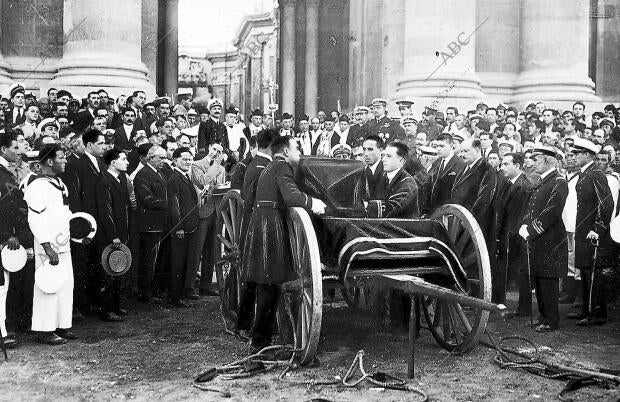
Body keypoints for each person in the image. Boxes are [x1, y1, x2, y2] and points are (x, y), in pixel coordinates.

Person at [241, 135, 326, 350]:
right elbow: (291, 197)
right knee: (270, 284)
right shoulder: (282, 167)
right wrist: (313, 202)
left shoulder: (273, 166)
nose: (299, 152)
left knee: (268, 283)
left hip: (264, 221)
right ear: (286, 151)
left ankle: (259, 339)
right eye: (297, 148)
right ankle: (260, 343)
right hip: (270, 224)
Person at [23, 144, 76, 345]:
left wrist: (81, 231)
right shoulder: (37, 186)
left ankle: (62, 325)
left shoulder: (60, 183)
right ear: (50, 161)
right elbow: (34, 219)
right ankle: (45, 330)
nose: (65, 161)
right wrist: (46, 246)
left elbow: (65, 213)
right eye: (62, 157)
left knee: (65, 284)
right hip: (48, 245)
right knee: (47, 285)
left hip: (64, 242)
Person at [519, 145, 568, 333]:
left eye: (536, 159)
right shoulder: (543, 181)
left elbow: (552, 211)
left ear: (547, 160)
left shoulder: (558, 182)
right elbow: (531, 208)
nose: (533, 163)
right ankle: (542, 317)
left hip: (551, 239)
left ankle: (551, 320)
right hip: (539, 238)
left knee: (548, 281)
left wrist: (531, 229)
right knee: (539, 279)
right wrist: (525, 224)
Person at [567, 138, 614, 326]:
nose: (574, 157)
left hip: (592, 233)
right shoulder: (584, 174)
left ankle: (596, 314)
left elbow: (606, 203)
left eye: (577, 154)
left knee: (593, 273)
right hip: (583, 230)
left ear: (587, 155)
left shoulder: (596, 174)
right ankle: (586, 310)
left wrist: (598, 228)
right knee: (585, 271)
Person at [0, 133, 31, 348]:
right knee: (2, 286)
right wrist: (6, 234)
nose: (18, 151)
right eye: (14, 147)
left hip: (9, 234)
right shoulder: (2, 174)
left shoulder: (6, 172)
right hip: (4, 237)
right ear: (3, 150)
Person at [96, 149, 131, 320]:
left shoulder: (121, 178)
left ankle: (116, 306)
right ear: (113, 162)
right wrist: (113, 235)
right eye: (123, 159)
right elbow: (105, 211)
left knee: (118, 269)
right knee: (108, 272)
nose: (127, 162)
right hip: (110, 236)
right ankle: (107, 309)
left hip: (121, 233)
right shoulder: (104, 181)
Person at [188, 143, 226, 298]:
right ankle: (190, 287)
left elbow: (218, 187)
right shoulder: (197, 165)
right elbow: (202, 181)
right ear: (209, 148)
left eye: (219, 151)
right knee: (197, 250)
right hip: (202, 212)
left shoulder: (222, 169)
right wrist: (216, 165)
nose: (216, 153)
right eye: (214, 149)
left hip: (216, 211)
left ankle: (206, 285)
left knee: (212, 251)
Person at [134, 145, 168, 303]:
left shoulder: (159, 173)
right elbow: (147, 199)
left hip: (158, 223)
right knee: (149, 260)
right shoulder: (143, 175)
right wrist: (169, 204)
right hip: (149, 225)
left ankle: (152, 290)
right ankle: (146, 293)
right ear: (150, 157)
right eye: (160, 158)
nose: (164, 161)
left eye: (165, 157)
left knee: (155, 260)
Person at [497, 153, 532, 309]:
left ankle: (522, 307)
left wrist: (508, 236)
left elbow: (519, 215)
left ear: (517, 165)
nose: (502, 167)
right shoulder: (509, 182)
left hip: (514, 236)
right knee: (507, 269)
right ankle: (502, 302)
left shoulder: (522, 186)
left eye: (506, 164)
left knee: (518, 271)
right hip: (508, 233)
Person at [167, 147, 200, 308]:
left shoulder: (185, 177)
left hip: (190, 227)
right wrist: (178, 227)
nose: (188, 162)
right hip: (181, 229)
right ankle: (176, 296)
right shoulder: (174, 178)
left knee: (185, 261)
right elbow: (174, 205)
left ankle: (181, 294)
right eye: (184, 159)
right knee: (178, 263)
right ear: (175, 160)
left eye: (189, 159)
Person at [451, 138, 497, 243]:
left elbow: (483, 199)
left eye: (466, 151)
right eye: (461, 151)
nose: (462, 154)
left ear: (477, 149)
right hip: (459, 221)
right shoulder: (464, 167)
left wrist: (468, 221)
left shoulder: (486, 169)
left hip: (474, 225)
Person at [365, 142, 419, 218]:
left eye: (389, 156)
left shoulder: (408, 182)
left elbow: (392, 208)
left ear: (401, 161)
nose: (383, 160)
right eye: (383, 156)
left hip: (403, 228)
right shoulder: (381, 177)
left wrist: (366, 206)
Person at [428, 133, 465, 214]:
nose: (438, 149)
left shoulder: (460, 164)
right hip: (434, 210)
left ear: (452, 146)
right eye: (436, 146)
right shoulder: (436, 163)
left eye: (442, 146)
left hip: (450, 211)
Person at [361, 135, 385, 200]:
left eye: (370, 149)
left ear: (380, 150)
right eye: (364, 149)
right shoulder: (361, 171)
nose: (366, 154)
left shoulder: (387, 171)